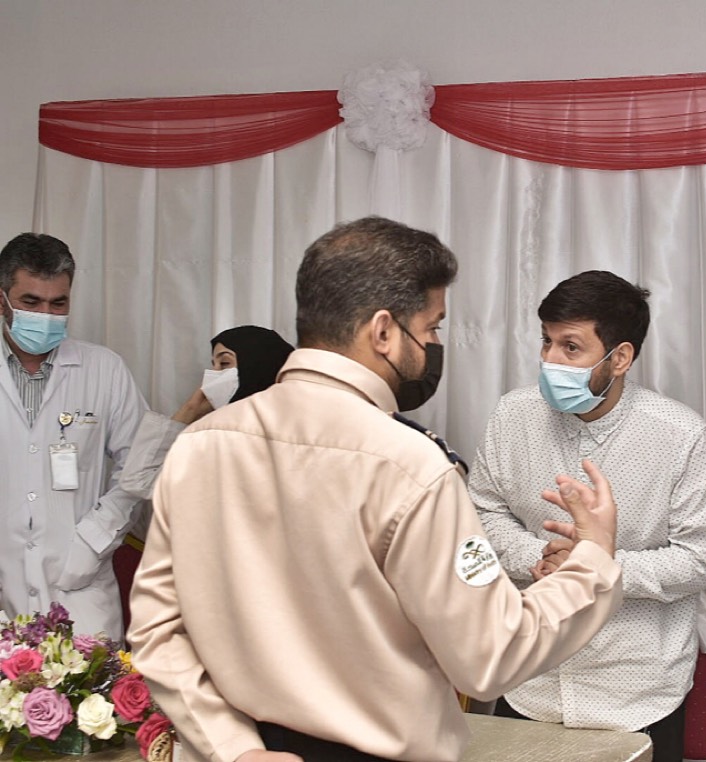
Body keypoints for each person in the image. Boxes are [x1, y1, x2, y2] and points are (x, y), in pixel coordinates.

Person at [128, 216, 624, 762]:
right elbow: (491, 654)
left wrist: (233, 748)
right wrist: (592, 559)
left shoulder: (199, 445)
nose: (434, 344)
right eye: (432, 327)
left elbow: (157, 630)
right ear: (384, 331)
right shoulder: (412, 467)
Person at [469, 269, 706, 762]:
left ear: (620, 358)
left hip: (635, 692)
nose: (550, 360)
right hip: (530, 677)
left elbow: (702, 558)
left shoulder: (680, 435)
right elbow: (483, 513)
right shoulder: (512, 414)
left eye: (571, 347)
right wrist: (538, 557)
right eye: (546, 342)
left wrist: (595, 565)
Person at [0, 232, 147, 641]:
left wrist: (94, 540)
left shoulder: (104, 369)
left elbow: (139, 465)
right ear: (2, 301)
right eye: (31, 302)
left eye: (58, 303)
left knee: (86, 681)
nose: (46, 315)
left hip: (80, 588)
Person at [119, 325, 294, 502]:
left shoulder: (292, 435)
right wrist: (190, 409)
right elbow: (139, 481)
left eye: (224, 364)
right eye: (213, 365)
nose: (213, 375)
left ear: (257, 365)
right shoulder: (215, 438)